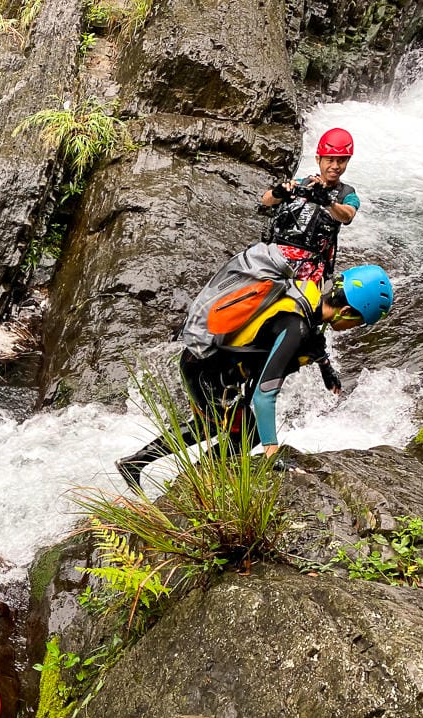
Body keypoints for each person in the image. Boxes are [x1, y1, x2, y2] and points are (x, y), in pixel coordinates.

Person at [115, 257, 394, 492]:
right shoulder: (296, 327)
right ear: (346, 311)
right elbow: (264, 395)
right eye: (358, 322)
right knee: (246, 431)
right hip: (207, 370)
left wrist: (326, 370)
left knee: (212, 425)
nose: (355, 328)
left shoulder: (310, 297)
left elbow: (315, 343)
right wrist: (273, 454)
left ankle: (138, 464)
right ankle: (198, 483)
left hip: (205, 363)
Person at [260, 127, 360, 284]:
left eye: (341, 160)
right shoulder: (301, 184)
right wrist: (278, 193)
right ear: (318, 159)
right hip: (276, 254)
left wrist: (328, 202)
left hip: (313, 265)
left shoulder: (347, 194)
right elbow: (266, 200)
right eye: (330, 160)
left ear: (347, 161)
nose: (335, 166)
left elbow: (347, 215)